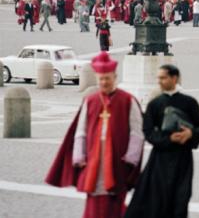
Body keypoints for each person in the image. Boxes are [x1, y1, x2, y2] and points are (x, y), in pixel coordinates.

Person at [45, 51, 144, 218]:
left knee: (115, 204)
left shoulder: (128, 100)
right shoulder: (90, 101)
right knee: (93, 203)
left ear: (115, 77)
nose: (104, 82)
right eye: (101, 79)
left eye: (107, 78)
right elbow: (81, 131)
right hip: (94, 160)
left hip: (118, 161)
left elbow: (137, 133)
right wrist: (79, 157)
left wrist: (130, 159)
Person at [125, 64, 199, 218]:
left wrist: (190, 134)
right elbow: (148, 131)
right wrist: (167, 139)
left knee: (180, 200)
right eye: (158, 78)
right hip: (159, 161)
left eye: (163, 78)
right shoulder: (155, 104)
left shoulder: (189, 103)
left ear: (174, 78)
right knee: (156, 201)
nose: (159, 81)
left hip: (182, 159)